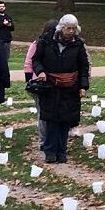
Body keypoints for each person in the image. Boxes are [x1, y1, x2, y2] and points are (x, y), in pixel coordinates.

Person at [32, 14, 90, 163]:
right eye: (68, 28)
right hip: (50, 86)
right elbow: (36, 59)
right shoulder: (46, 41)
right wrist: (41, 72)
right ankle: (50, 151)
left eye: (74, 29)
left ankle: (62, 151)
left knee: (65, 120)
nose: (71, 31)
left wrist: (83, 86)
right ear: (61, 28)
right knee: (51, 119)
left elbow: (84, 66)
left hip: (70, 87)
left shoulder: (78, 45)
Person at [25, 20, 59, 143]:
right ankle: (44, 139)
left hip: (54, 83)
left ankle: (51, 138)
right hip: (40, 85)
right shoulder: (37, 44)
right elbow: (29, 63)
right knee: (42, 112)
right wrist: (30, 82)